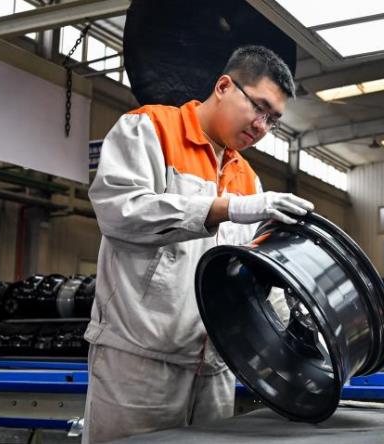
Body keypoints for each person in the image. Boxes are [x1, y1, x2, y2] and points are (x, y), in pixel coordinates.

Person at [82, 45, 314, 443]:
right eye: (259, 108)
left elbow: (254, 273)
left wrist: (297, 334)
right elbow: (121, 212)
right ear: (223, 86)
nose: (261, 126)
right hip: (140, 364)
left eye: (273, 120)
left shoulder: (247, 178)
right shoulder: (150, 130)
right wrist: (226, 208)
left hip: (217, 369)